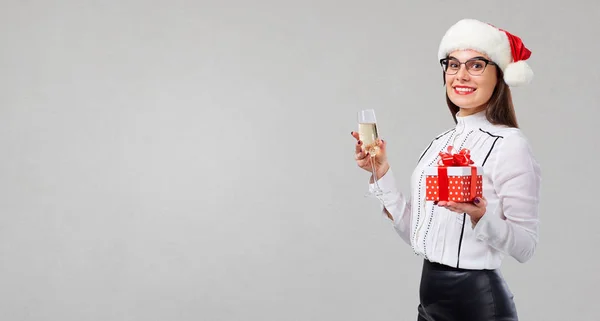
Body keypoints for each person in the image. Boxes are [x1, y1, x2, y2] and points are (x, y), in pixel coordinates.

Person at [351, 19, 541, 321]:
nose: (461, 75)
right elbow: (416, 233)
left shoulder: (510, 144)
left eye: (476, 65)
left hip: (477, 304)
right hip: (429, 298)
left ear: (499, 75)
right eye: (453, 65)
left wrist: (479, 216)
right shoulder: (440, 144)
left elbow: (526, 247)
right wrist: (381, 171)